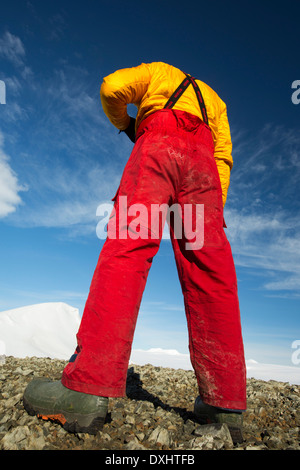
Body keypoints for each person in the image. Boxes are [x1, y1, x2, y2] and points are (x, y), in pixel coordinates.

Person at [23, 62, 247, 443]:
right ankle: (223, 402)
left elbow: (113, 87)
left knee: (127, 253)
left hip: (157, 150)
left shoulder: (159, 73)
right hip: (203, 172)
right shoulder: (217, 103)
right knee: (211, 274)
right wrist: (211, 209)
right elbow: (223, 157)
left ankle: (87, 387)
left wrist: (126, 124)